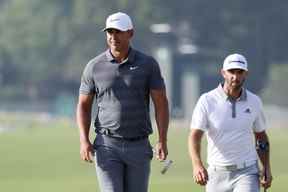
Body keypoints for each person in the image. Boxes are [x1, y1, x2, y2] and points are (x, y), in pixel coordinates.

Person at [76, 12, 169, 192]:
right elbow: (83, 106)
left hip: (139, 145)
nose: (113, 36)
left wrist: (162, 140)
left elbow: (161, 103)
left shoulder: (148, 64)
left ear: (130, 33)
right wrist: (84, 140)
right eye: (109, 32)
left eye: (118, 31)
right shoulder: (94, 66)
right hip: (107, 145)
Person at [188, 53, 273, 192]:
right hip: (216, 174)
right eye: (231, 71)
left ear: (246, 74)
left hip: (247, 172)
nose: (235, 76)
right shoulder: (207, 100)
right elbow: (194, 136)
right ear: (223, 73)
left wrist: (266, 168)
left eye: (240, 72)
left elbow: (261, 137)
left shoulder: (254, 101)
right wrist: (197, 165)